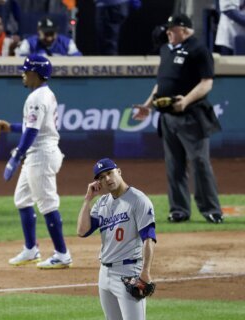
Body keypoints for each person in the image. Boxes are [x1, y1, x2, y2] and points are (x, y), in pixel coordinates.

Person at [133, 14, 223, 224]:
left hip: (192, 116)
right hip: (168, 117)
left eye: (172, 29)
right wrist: (148, 105)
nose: (168, 33)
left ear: (184, 29)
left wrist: (186, 101)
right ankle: (179, 210)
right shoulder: (166, 50)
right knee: (174, 165)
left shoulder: (198, 50)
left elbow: (206, 82)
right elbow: (162, 83)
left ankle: (211, 209)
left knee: (200, 162)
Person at [0, 55, 72, 269]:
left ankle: (62, 254)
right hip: (38, 153)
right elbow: (34, 126)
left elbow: (32, 130)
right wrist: (10, 127)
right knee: (22, 199)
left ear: (35, 74)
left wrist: (17, 154)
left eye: (26, 70)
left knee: (47, 203)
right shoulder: (43, 94)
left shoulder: (37, 97)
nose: (23, 74)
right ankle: (31, 250)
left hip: (41, 155)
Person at [77, 158, 156, 320]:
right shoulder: (102, 203)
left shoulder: (138, 200)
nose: (107, 179)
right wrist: (88, 199)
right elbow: (82, 231)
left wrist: (145, 272)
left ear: (118, 172)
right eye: (101, 177)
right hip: (104, 273)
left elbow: (149, 238)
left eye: (109, 173)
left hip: (129, 272)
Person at [15, 16, 81, 56]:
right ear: (39, 31)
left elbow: (78, 61)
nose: (49, 38)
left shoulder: (67, 43)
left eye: (52, 34)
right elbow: (19, 63)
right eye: (46, 34)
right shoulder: (28, 43)